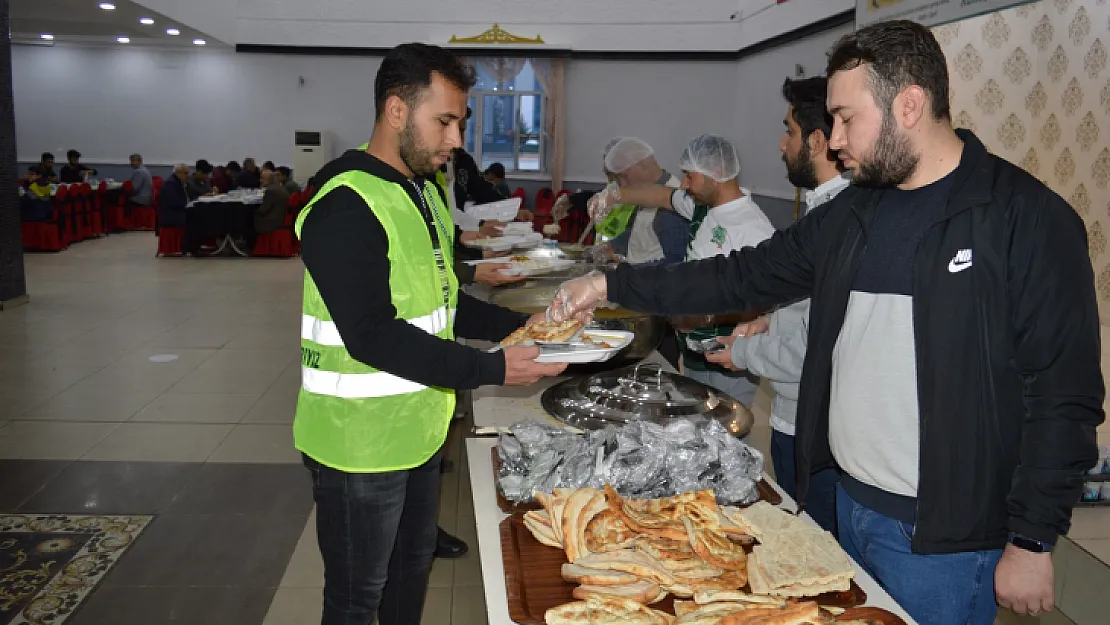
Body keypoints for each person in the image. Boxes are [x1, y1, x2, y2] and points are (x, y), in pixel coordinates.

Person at [549, 20, 1104, 625]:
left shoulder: (1025, 220)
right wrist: (610, 283)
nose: (834, 140)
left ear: (909, 105)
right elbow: (738, 276)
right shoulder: (853, 215)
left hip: (941, 539)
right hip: (838, 502)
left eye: (846, 118)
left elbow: (1063, 396)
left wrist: (1032, 540)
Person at [294, 42, 566, 625]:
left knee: (410, 571)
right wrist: (495, 368)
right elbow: (371, 335)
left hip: (417, 429)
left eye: (460, 122)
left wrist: (528, 325)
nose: (457, 139)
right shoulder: (346, 205)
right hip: (358, 446)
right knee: (356, 597)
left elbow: (446, 305)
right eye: (444, 121)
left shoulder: (419, 194)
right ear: (397, 111)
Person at [703, 76, 850, 535]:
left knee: (819, 548)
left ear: (819, 140)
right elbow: (809, 305)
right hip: (793, 414)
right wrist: (767, 321)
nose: (781, 143)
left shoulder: (840, 219)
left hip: (819, 427)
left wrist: (741, 353)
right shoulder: (822, 208)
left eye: (789, 131)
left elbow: (820, 345)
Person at [588, 134, 774, 407]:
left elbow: (766, 300)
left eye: (690, 176)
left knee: (726, 431)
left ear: (717, 174)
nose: (684, 184)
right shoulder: (703, 209)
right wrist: (614, 194)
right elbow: (662, 195)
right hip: (697, 351)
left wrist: (704, 317)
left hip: (731, 355)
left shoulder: (753, 228)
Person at [596, 138, 689, 265]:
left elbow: (675, 264)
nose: (622, 184)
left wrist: (632, 272)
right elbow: (639, 232)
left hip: (653, 281)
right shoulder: (643, 191)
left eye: (624, 176)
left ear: (643, 165)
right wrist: (613, 245)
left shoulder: (671, 202)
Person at [254, 169, 290, 236]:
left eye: (262, 179)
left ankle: (250, 243)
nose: (260, 180)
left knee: (250, 218)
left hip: (272, 222)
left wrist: (254, 211)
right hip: (282, 218)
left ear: (270, 180)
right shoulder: (281, 188)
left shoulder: (270, 191)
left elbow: (263, 210)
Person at [158, 163, 190, 228]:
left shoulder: (177, 182)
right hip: (172, 217)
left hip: (175, 213)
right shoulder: (170, 184)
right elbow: (174, 203)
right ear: (178, 173)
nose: (188, 176)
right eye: (186, 173)